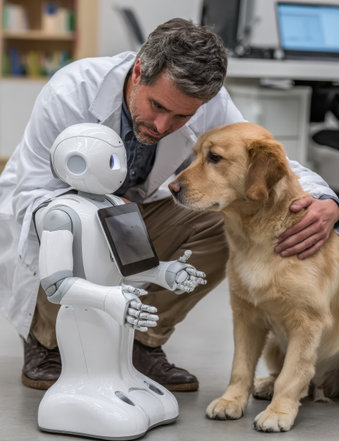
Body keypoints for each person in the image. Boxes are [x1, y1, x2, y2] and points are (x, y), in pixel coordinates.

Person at [0, 18, 338, 393]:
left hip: (139, 214)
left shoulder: (207, 102)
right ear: (140, 70)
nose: (162, 125)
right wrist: (98, 215)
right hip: (61, 210)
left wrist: (325, 200)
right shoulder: (72, 92)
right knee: (72, 221)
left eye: (182, 116)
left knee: (222, 217)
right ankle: (46, 344)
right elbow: (32, 194)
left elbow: (266, 158)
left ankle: (145, 341)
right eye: (157, 105)